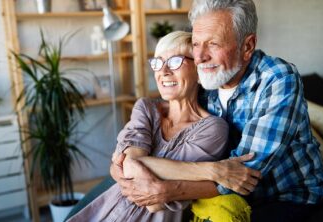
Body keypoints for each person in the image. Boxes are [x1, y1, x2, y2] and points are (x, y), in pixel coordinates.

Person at [111, 0, 323, 221]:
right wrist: (122, 169)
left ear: (247, 46)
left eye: (213, 44)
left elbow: (243, 173)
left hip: (288, 197)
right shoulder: (204, 83)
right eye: (196, 44)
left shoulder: (278, 78)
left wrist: (166, 191)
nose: (200, 57)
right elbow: (145, 146)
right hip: (221, 196)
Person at [67, 31, 235, 222]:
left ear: (199, 70)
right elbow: (129, 165)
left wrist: (128, 164)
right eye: (157, 62)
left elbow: (154, 202)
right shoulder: (146, 108)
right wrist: (211, 170)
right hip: (104, 214)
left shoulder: (213, 129)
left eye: (174, 62)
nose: (163, 72)